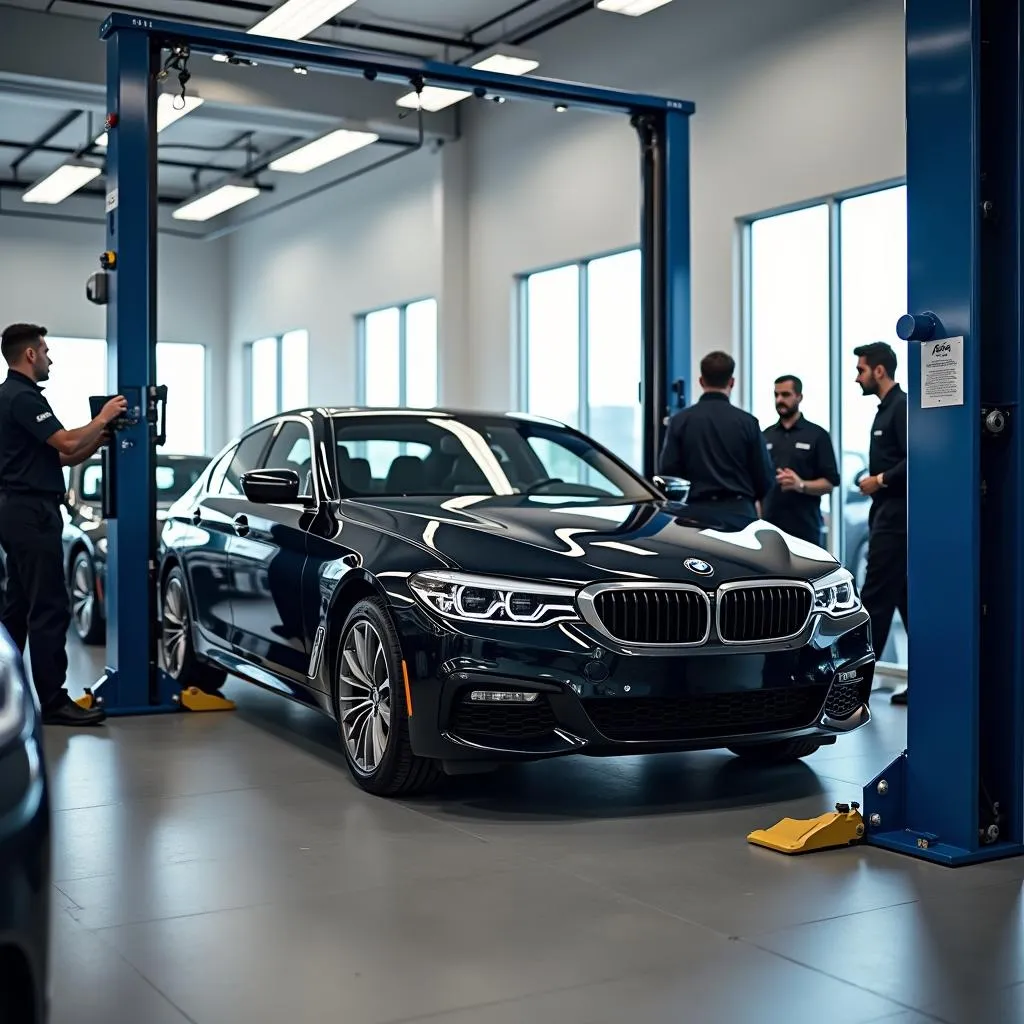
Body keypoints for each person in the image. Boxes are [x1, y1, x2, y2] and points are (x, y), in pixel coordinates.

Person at [0, 323, 126, 725]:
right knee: (49, 606)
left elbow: (64, 458)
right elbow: (67, 443)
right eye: (46, 351)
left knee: (19, 607)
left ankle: (7, 691)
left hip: (21, 510)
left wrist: (98, 438)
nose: (50, 357)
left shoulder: (16, 397)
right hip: (30, 513)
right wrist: (104, 415)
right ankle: (53, 701)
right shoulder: (20, 397)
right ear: (31, 355)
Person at [659, 350, 774, 526]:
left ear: (701, 381)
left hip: (694, 514)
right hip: (740, 513)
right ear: (732, 382)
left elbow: (669, 471)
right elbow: (764, 477)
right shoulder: (747, 422)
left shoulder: (680, 421)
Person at [854, 340, 908, 704]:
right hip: (885, 516)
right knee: (907, 600)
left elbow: (914, 459)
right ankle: (929, 677)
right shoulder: (884, 409)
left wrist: (881, 480)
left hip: (896, 518)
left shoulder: (901, 407)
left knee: (874, 598)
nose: (856, 377)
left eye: (860, 370)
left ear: (878, 370)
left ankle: (855, 686)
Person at [760, 375, 840, 546]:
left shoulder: (817, 435)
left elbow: (830, 483)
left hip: (805, 529)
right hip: (769, 529)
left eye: (786, 395)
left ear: (799, 397)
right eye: (776, 395)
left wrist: (801, 485)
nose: (780, 399)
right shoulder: (765, 435)